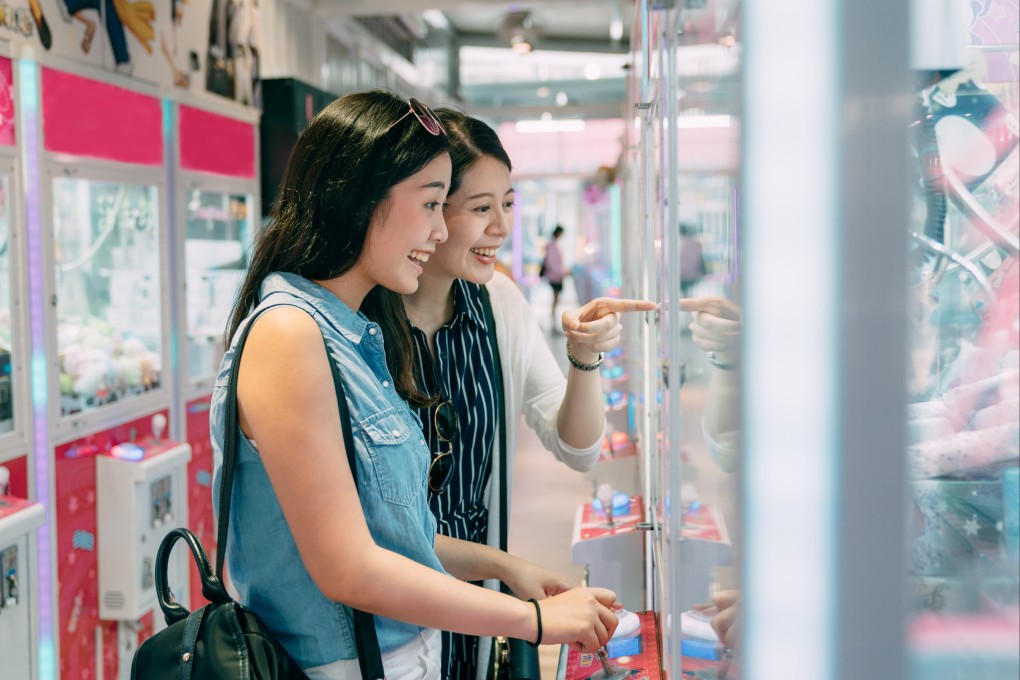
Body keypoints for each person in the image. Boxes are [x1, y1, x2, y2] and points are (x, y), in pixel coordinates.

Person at [211, 91, 619, 680]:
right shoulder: (289, 332)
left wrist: (506, 566)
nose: (437, 229)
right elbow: (349, 568)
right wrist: (532, 620)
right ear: (360, 196)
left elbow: (402, 534)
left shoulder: (355, 333)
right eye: (432, 204)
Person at [363, 108, 656, 679]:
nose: (501, 226)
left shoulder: (499, 305)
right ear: (431, 213)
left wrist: (585, 358)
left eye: (509, 204)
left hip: (476, 603)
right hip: (380, 615)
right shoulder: (359, 320)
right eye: (481, 208)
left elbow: (579, 448)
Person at [542, 224, 567, 327]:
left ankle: (553, 320)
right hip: (555, 276)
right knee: (555, 299)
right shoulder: (553, 247)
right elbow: (552, 263)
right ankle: (553, 321)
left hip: (555, 275)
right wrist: (561, 273)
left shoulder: (552, 246)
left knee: (556, 299)